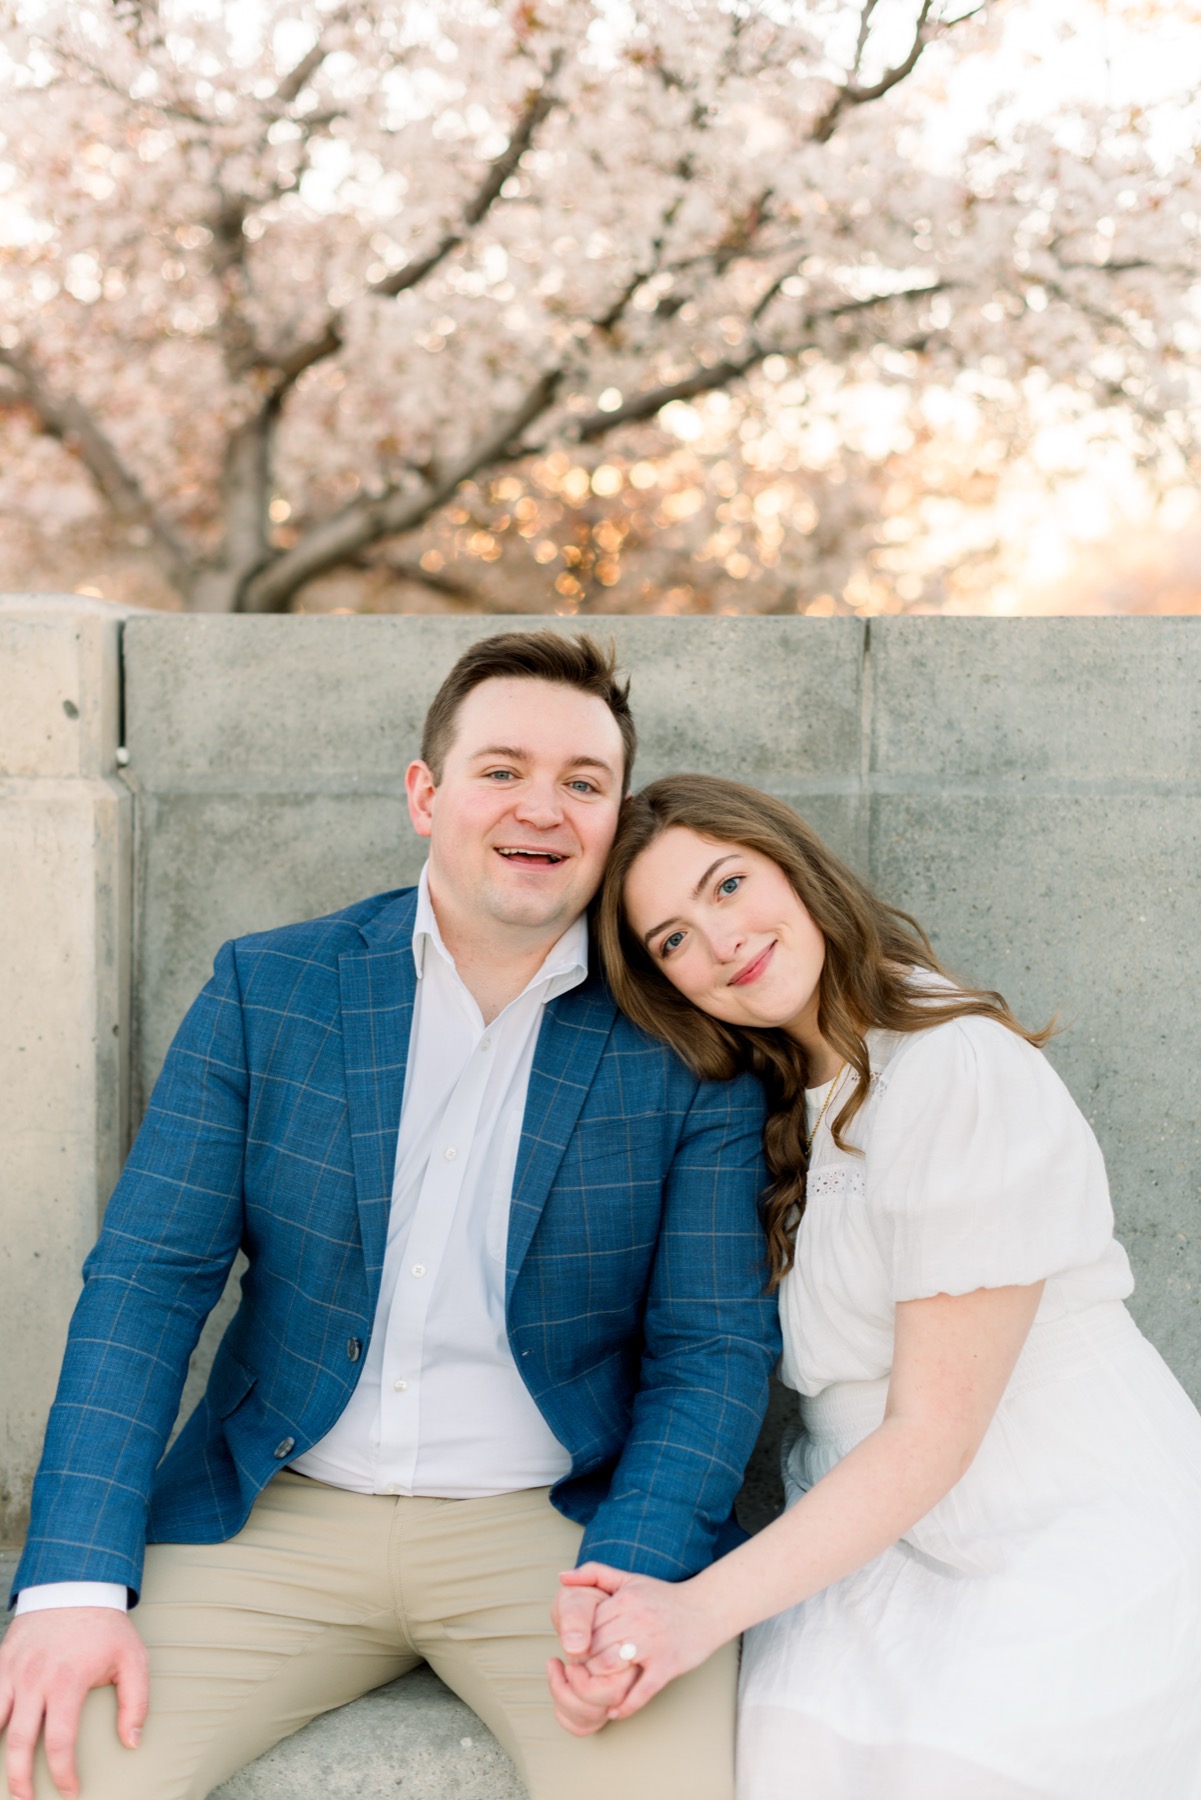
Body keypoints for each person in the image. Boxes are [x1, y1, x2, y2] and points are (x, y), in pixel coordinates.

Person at [0, 638, 780, 1800]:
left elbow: (711, 1348)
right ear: (426, 795)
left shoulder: (688, 1045)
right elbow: (148, 1283)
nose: (541, 809)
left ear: (615, 822)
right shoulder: (271, 990)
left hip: (559, 1536)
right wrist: (69, 1588)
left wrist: (638, 1569)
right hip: (276, 1513)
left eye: (582, 783)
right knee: (44, 1766)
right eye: (501, 769)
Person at [560, 772, 1201, 1798]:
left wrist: (691, 1612)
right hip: (869, 1550)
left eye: (727, 886)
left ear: (796, 867)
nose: (719, 942)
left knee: (963, 1759)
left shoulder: (954, 1068)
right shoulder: (767, 1102)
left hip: (1054, 1512)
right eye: (672, 938)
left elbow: (933, 1433)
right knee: (789, 1749)